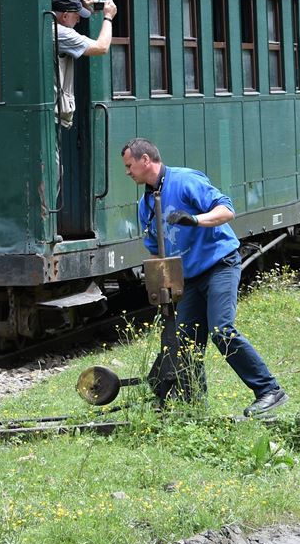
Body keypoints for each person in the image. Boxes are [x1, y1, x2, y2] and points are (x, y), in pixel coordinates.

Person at [121, 137, 288, 418]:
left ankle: (269, 390)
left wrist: (196, 220)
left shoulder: (185, 180)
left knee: (221, 330)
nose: (127, 172)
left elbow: (227, 210)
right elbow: (157, 251)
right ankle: (194, 407)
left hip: (219, 265)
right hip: (190, 278)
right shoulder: (146, 204)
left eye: (129, 166)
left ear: (145, 160)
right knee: (185, 341)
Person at [52, 0, 117, 58]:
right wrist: (108, 16)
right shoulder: (61, 32)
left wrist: (83, 7)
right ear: (65, 16)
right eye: (77, 16)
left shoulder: (54, 27)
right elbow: (102, 48)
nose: (78, 21)